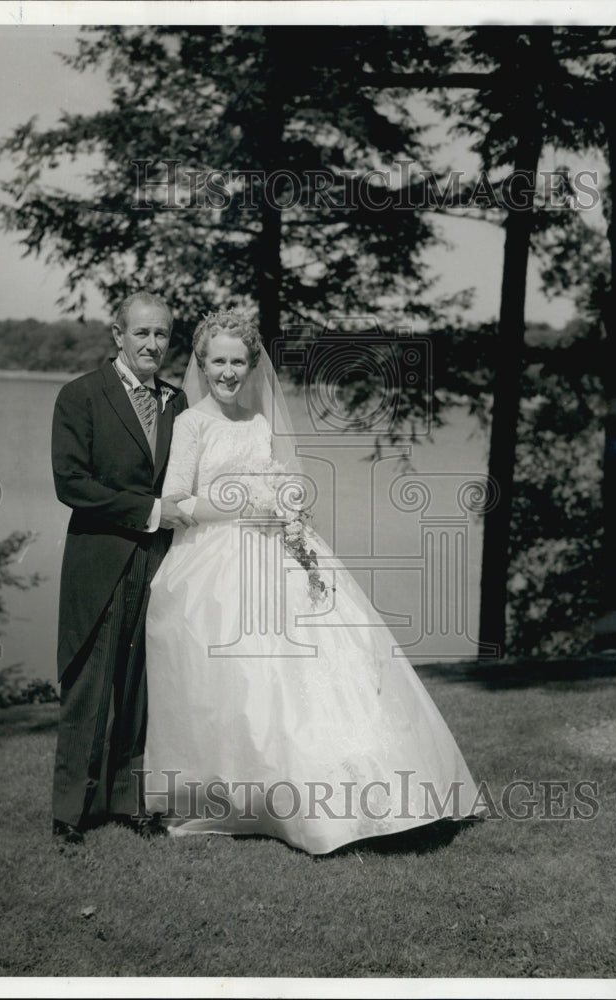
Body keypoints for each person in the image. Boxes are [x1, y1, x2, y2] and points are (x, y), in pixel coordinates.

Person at [142, 309, 482, 855]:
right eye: (217, 362)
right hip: (214, 559)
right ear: (201, 365)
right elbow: (177, 502)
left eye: (237, 361)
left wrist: (286, 501)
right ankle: (245, 794)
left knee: (326, 661)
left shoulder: (258, 424)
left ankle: (364, 789)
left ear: (251, 364)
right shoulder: (191, 423)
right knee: (245, 677)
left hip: (275, 548)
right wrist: (243, 502)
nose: (228, 372)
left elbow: (287, 480)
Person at [50, 291, 195, 845]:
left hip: (158, 565)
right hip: (99, 560)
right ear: (118, 335)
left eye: (161, 334)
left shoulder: (179, 404)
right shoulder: (81, 396)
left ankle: (130, 800)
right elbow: (72, 484)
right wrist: (152, 511)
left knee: (141, 685)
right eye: (142, 333)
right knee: (89, 686)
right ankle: (71, 813)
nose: (152, 344)